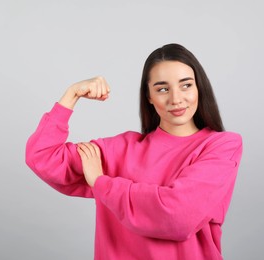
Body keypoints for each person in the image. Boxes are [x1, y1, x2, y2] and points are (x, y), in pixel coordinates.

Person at [25, 43, 243, 260]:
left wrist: (101, 182)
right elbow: (42, 156)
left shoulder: (222, 146)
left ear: (199, 88)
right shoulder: (118, 150)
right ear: (149, 96)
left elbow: (177, 216)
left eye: (186, 85)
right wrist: (71, 95)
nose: (176, 98)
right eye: (162, 89)